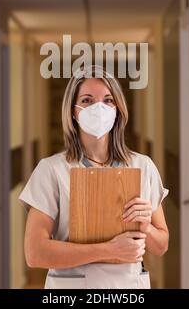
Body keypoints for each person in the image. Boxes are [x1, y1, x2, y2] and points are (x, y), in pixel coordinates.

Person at [19, 65, 169, 289]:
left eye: (108, 100)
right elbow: (35, 253)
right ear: (73, 110)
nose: (99, 107)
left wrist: (145, 227)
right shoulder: (51, 170)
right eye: (88, 100)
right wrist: (110, 249)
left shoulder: (143, 166)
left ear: (118, 108)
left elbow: (161, 246)